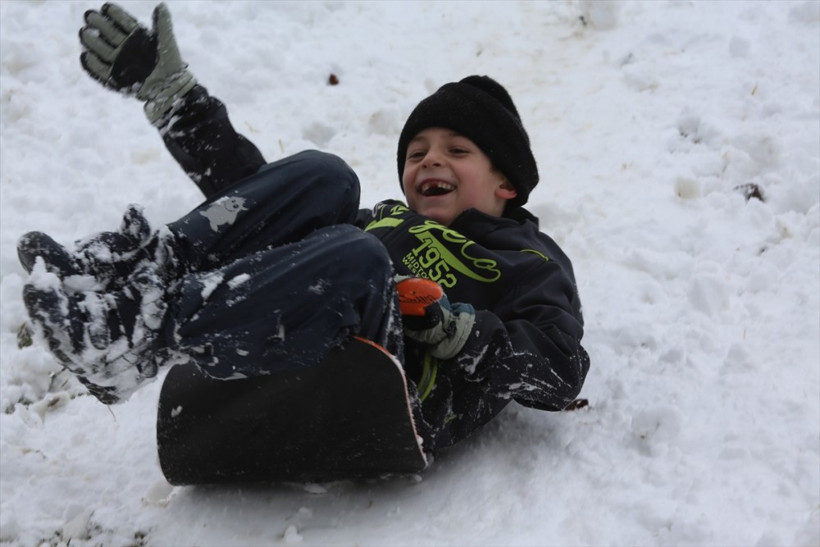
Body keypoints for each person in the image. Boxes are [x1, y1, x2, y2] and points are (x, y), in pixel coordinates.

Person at [18, 3, 590, 452]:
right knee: (325, 177)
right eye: (416, 152)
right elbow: (262, 211)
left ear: (507, 184)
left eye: (456, 150)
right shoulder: (387, 224)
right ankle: (135, 289)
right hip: (287, 353)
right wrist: (177, 102)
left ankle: (148, 331)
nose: (428, 161)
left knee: (355, 256)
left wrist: (465, 333)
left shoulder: (529, 260)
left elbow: (561, 368)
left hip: (387, 397)